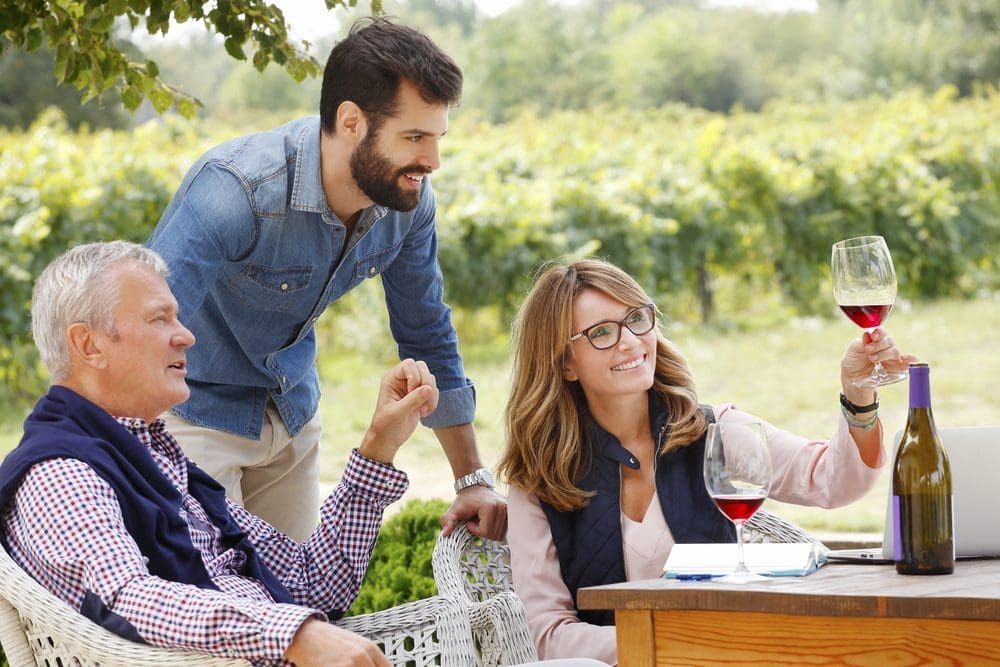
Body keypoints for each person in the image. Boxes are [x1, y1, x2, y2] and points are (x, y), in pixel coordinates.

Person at [146, 17, 505, 543]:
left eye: (437, 137)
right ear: (352, 120)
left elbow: (426, 331)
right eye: (414, 137)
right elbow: (145, 326)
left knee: (295, 603)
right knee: (218, 605)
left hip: (292, 414)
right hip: (192, 415)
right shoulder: (237, 191)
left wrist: (470, 479)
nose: (432, 161)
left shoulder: (406, 203)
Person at [0, 241, 438, 666]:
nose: (186, 336)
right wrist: (293, 635)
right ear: (90, 345)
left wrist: (380, 444)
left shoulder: (156, 462)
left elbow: (312, 584)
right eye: (160, 319)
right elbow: (128, 597)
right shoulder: (60, 472)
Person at [496, 258, 917, 664]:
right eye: (602, 332)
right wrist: (682, 646)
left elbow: (833, 481)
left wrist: (858, 396)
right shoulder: (539, 481)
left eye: (637, 319)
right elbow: (548, 636)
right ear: (565, 362)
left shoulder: (714, 432)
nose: (630, 341)